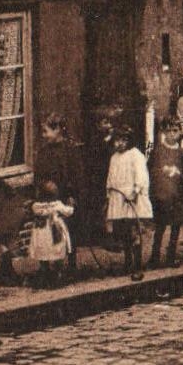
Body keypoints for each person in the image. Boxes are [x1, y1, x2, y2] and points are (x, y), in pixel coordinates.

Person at [33, 113, 81, 274]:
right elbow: (37, 174)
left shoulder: (70, 150)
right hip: (47, 196)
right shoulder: (43, 152)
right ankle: (46, 266)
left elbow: (77, 174)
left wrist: (72, 195)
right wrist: (44, 183)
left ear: (58, 130)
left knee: (67, 231)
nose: (44, 135)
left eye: (46, 131)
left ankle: (70, 264)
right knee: (46, 231)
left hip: (65, 196)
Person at [147, 117, 183, 268]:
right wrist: (162, 171)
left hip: (177, 195)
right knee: (160, 226)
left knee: (175, 226)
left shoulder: (182, 153)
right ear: (163, 132)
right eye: (168, 131)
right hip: (162, 195)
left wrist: (178, 172)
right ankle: (154, 257)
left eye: (175, 131)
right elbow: (149, 170)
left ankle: (171, 256)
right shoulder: (158, 152)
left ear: (180, 132)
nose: (172, 135)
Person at [105, 126, 153, 281]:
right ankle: (128, 262)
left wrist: (136, 190)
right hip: (118, 197)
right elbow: (111, 177)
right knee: (123, 232)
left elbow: (141, 175)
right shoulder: (114, 158)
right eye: (117, 140)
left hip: (131, 198)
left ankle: (138, 265)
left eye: (123, 140)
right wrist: (109, 194)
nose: (119, 144)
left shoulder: (136, 155)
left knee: (134, 232)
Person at [27, 180, 75, 287]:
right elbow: (68, 211)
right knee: (57, 252)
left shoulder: (36, 206)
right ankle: (57, 276)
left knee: (43, 254)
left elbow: (33, 211)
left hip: (41, 233)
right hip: (53, 232)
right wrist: (70, 204)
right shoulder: (57, 205)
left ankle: (44, 276)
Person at [85, 109, 118, 245]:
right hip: (100, 179)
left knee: (112, 206)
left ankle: (113, 235)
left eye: (110, 122)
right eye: (105, 122)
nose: (109, 125)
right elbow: (98, 158)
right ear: (98, 125)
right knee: (103, 208)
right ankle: (105, 237)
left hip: (111, 176)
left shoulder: (113, 139)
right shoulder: (95, 141)